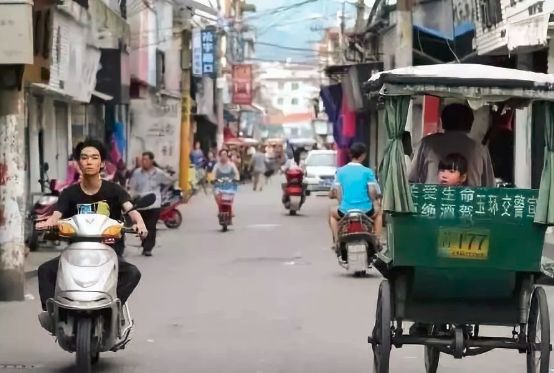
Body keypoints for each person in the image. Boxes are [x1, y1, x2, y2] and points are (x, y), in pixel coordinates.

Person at [36, 139, 147, 333]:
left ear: (102, 164)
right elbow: (57, 215)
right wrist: (48, 223)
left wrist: (139, 222)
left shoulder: (114, 190)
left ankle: (113, 308)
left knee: (132, 273)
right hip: (75, 252)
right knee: (45, 270)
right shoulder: (69, 193)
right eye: (84, 158)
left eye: (94, 158)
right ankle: (53, 313)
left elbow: (131, 209)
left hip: (109, 251)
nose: (89, 161)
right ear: (78, 163)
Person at [409, 103, 495, 187]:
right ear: (470, 124)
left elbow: (411, 179)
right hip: (468, 200)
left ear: (442, 122)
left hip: (433, 200)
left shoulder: (427, 143)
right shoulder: (480, 150)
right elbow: (489, 186)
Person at [328, 142, 382, 247]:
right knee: (379, 212)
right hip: (366, 211)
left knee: (331, 214)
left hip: (345, 211)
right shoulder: (367, 171)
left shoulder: (340, 171)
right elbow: (373, 191)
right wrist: (376, 198)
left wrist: (338, 199)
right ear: (363, 155)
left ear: (350, 154)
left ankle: (337, 242)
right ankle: (377, 240)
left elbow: (335, 192)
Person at [128, 151, 175, 256]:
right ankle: (144, 243)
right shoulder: (137, 173)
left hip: (154, 204)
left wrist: (162, 192)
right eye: (142, 159)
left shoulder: (159, 173)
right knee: (142, 226)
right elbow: (132, 187)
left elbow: (170, 181)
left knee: (151, 226)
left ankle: (148, 248)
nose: (143, 162)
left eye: (146, 159)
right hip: (141, 203)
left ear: (151, 161)